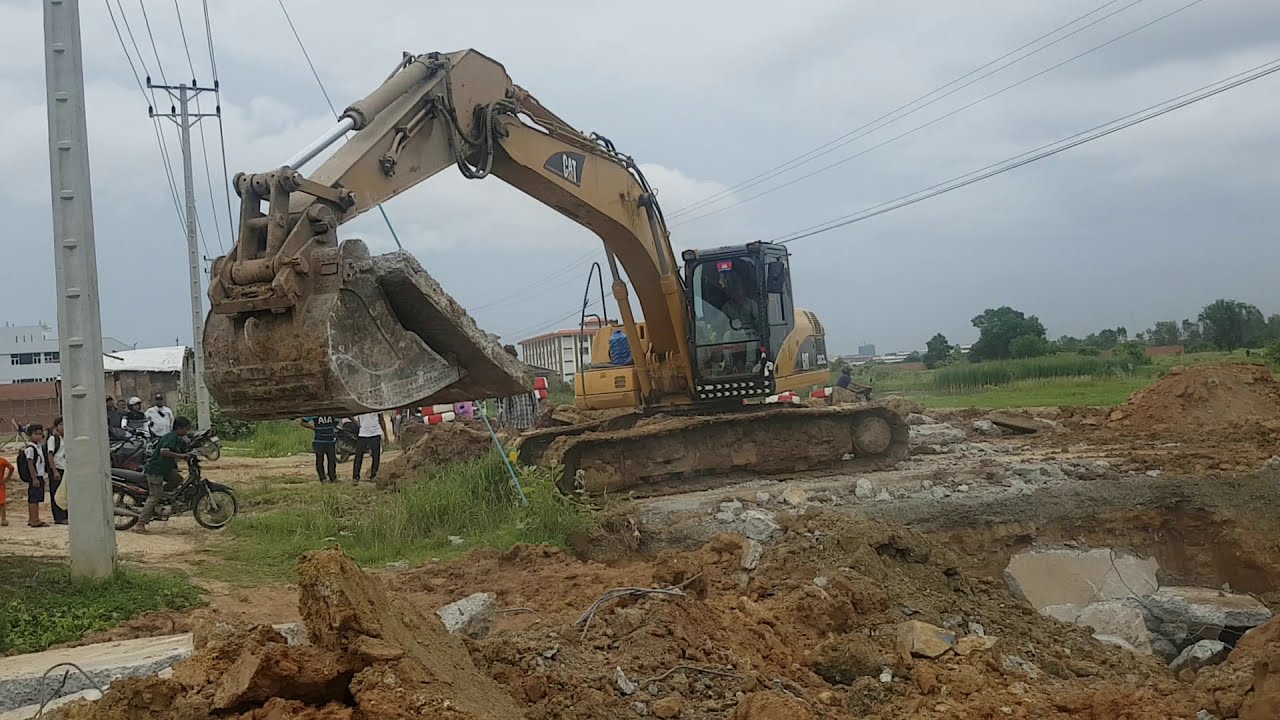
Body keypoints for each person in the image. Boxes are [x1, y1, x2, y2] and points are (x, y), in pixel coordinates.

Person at [136, 416, 192, 533]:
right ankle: (140, 523)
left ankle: (164, 497)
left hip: (165, 470)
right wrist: (180, 456)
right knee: (154, 496)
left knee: (177, 479)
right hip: (155, 470)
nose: (187, 431)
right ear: (180, 428)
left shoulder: (178, 438)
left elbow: (185, 447)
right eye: (186, 429)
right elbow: (164, 451)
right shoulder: (171, 437)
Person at [20, 423, 48, 528]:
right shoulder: (31, 448)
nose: (39, 436)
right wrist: (34, 478)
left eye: (41, 434)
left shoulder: (38, 446)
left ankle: (35, 518)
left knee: (36, 499)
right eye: (36, 434)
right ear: (30, 435)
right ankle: (34, 520)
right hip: (35, 477)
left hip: (39, 476)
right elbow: (30, 464)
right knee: (33, 499)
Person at [300, 415, 338, 483]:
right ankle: (322, 478)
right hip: (319, 441)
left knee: (332, 460)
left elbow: (336, 421)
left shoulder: (332, 412)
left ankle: (333, 477)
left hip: (330, 440)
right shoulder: (315, 413)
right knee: (320, 460)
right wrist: (314, 428)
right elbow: (302, 422)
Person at [352, 412, 386, 484]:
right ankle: (355, 477)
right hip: (363, 433)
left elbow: (381, 419)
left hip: (375, 432)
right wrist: (357, 423)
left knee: (376, 456)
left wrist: (385, 434)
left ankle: (374, 475)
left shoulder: (376, 405)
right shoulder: (361, 405)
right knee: (358, 456)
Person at [46, 417, 67, 525]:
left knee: (65, 493)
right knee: (56, 493)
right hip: (57, 469)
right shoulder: (53, 439)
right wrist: (54, 471)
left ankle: (66, 514)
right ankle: (58, 517)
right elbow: (50, 455)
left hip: (66, 469)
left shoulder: (67, 438)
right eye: (61, 425)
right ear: (56, 427)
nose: (64, 427)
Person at [0, 455, 12, 526]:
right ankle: (3, 519)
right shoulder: (2, 460)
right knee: (1, 503)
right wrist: (7, 479)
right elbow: (11, 468)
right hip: (1, 483)